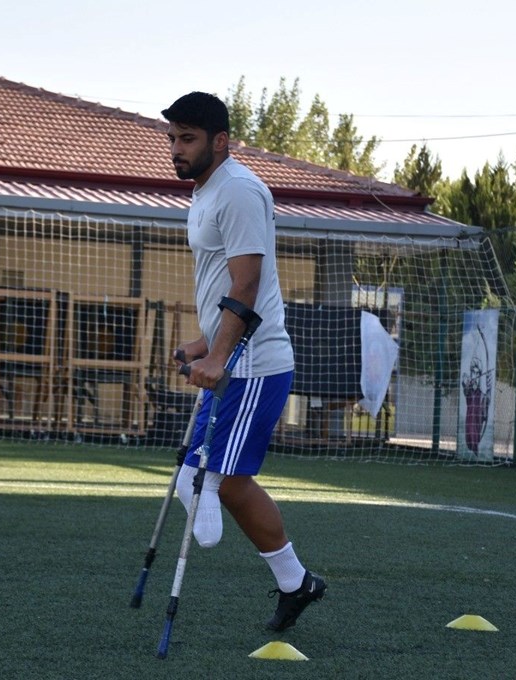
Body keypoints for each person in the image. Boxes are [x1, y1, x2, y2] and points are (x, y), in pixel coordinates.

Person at [162, 91, 326, 632]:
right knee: (222, 482)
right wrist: (202, 342)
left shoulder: (238, 191)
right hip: (232, 355)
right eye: (173, 139)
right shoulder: (206, 193)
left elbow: (247, 284)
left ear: (220, 140)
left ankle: (295, 581)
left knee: (209, 480)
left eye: (188, 138)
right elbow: (220, 286)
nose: (177, 149)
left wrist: (220, 355)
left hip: (253, 364)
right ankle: (296, 583)